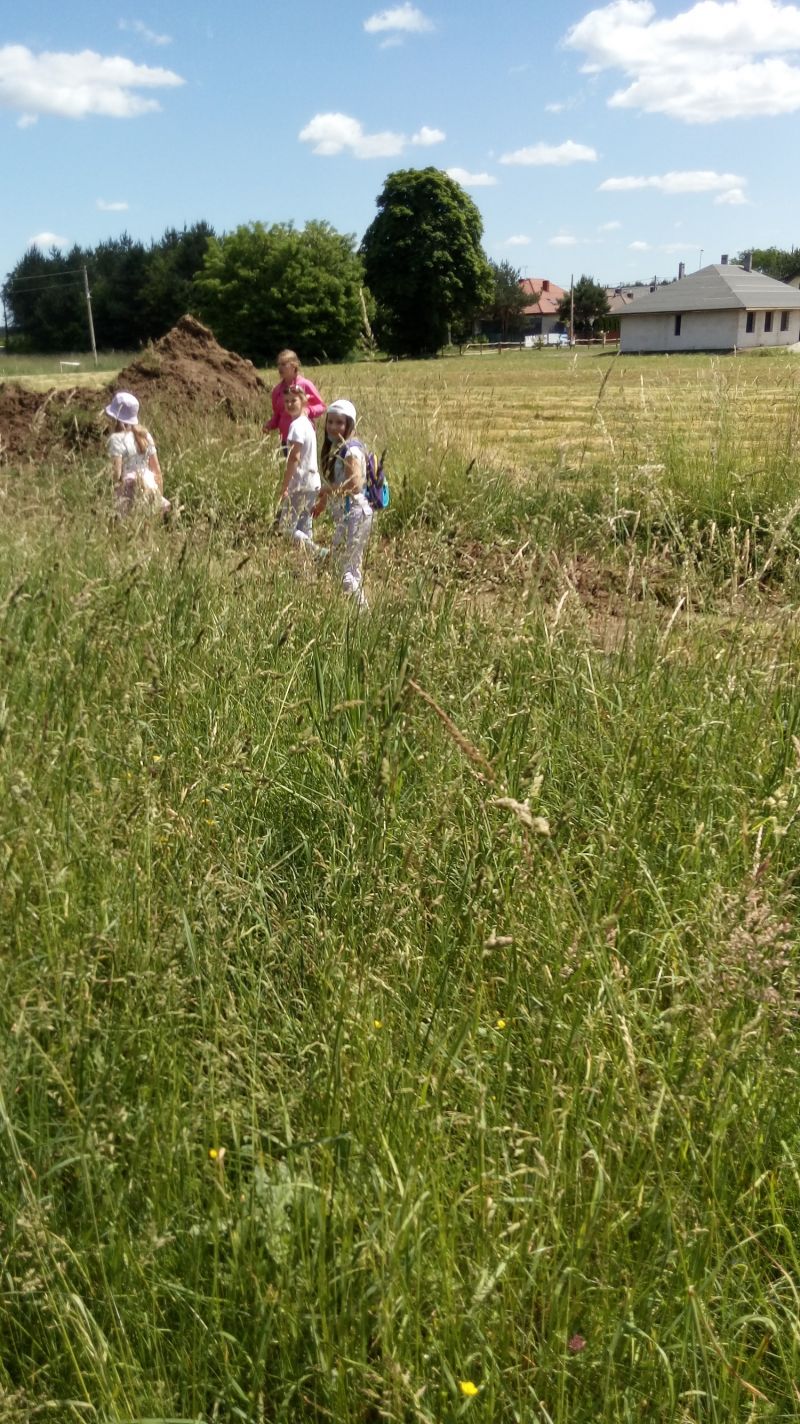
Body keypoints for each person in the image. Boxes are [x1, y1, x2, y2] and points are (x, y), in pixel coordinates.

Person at [314, 399, 373, 606]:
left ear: (349, 424)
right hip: (352, 514)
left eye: (339, 422)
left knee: (344, 571)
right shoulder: (341, 447)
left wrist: (325, 490)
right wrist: (323, 502)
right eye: (330, 422)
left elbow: (354, 486)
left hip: (354, 514)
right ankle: (357, 611)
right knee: (350, 568)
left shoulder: (351, 451)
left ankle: (363, 612)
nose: (333, 427)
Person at [104, 391, 170, 517]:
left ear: (116, 418)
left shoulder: (116, 439)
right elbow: (157, 471)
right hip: (149, 489)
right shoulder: (145, 435)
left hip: (129, 493)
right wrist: (159, 497)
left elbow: (116, 474)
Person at [276, 386, 321, 546]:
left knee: (286, 528)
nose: (289, 404)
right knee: (304, 524)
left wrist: (286, 485)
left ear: (303, 401)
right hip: (313, 481)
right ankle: (310, 557)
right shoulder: (308, 424)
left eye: (293, 400)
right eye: (286, 401)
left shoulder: (296, 426)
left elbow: (294, 457)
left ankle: (318, 551)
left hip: (300, 483)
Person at [264, 349, 326, 451]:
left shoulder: (305, 384)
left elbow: (321, 406)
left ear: (294, 366)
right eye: (278, 364)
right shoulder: (277, 390)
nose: (280, 368)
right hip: (286, 439)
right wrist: (269, 425)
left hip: (304, 437)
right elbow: (277, 415)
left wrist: (308, 410)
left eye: (284, 364)